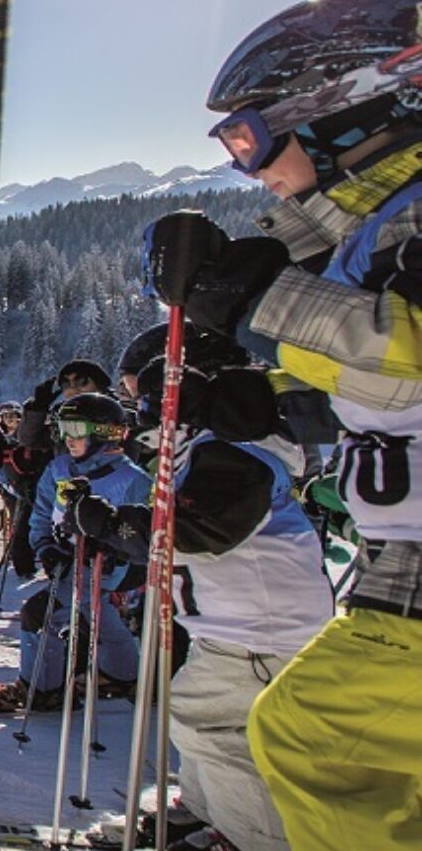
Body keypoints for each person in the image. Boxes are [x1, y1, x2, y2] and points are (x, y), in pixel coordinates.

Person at [144, 0, 422, 851]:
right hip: (397, 559)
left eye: (249, 135)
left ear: (346, 106)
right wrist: (271, 402)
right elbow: (371, 400)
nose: (246, 164)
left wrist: (256, 300)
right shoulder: (366, 233)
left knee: (313, 742)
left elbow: (400, 357)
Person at [72, 359, 332, 851]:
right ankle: (206, 812)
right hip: (239, 627)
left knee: (218, 728)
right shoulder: (210, 453)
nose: (139, 417)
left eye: (141, 401)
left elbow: (200, 528)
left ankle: (251, 836)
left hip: (260, 631)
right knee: (198, 715)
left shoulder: (234, 455)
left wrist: (119, 526)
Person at [0, 392, 152, 713]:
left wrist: (113, 549)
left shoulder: (132, 480)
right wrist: (45, 547)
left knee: (40, 613)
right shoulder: (61, 468)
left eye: (75, 429)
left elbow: (144, 535)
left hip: (105, 567)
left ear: (102, 433)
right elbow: (42, 513)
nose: (67, 439)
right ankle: (123, 673)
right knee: (94, 616)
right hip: (68, 561)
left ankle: (43, 689)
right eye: (63, 429)